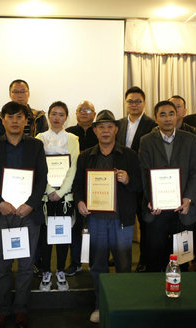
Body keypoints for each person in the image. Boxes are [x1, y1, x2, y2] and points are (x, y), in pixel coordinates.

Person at [0, 101, 48, 328]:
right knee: (2, 266)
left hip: (28, 214)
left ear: (26, 120)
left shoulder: (35, 146)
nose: (15, 121)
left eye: (19, 116)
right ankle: (2, 310)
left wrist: (30, 204)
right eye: (10, 117)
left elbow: (42, 179)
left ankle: (20, 310)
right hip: (1, 213)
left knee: (26, 266)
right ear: (2, 120)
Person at [72, 110, 141, 324]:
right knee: (98, 265)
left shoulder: (129, 155)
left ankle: (122, 306)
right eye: (101, 127)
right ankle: (100, 305)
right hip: (96, 219)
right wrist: (80, 202)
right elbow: (78, 185)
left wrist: (128, 180)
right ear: (95, 130)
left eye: (109, 126)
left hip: (122, 220)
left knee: (124, 265)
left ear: (116, 129)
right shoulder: (85, 156)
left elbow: (141, 186)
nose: (105, 131)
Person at [138, 101, 196, 272]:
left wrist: (188, 198)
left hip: (183, 208)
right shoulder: (146, 141)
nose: (167, 118)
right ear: (155, 118)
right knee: (155, 258)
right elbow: (144, 173)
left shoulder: (190, 139)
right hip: (157, 210)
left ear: (177, 116)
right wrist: (152, 199)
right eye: (163, 114)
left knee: (181, 260)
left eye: (171, 113)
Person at [36, 101, 79, 292]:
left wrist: (61, 192)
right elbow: (38, 167)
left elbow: (73, 167)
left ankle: (60, 270)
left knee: (62, 236)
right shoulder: (39, 138)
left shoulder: (73, 139)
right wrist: (48, 190)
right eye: (53, 113)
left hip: (65, 197)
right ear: (48, 116)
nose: (57, 118)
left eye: (61, 114)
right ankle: (46, 271)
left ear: (66, 118)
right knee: (45, 236)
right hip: (45, 197)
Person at [115, 86, 156, 272]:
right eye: (130, 101)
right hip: (122, 182)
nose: (134, 104)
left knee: (144, 223)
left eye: (138, 101)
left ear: (144, 103)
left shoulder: (152, 125)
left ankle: (144, 260)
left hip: (142, 181)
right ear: (125, 103)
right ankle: (119, 257)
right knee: (120, 221)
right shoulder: (119, 124)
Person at [64, 100, 97, 276]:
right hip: (74, 184)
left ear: (94, 114)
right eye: (80, 110)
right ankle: (75, 262)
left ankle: (94, 261)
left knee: (96, 225)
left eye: (88, 110)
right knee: (75, 226)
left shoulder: (99, 131)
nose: (84, 113)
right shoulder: (68, 133)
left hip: (98, 185)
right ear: (76, 114)